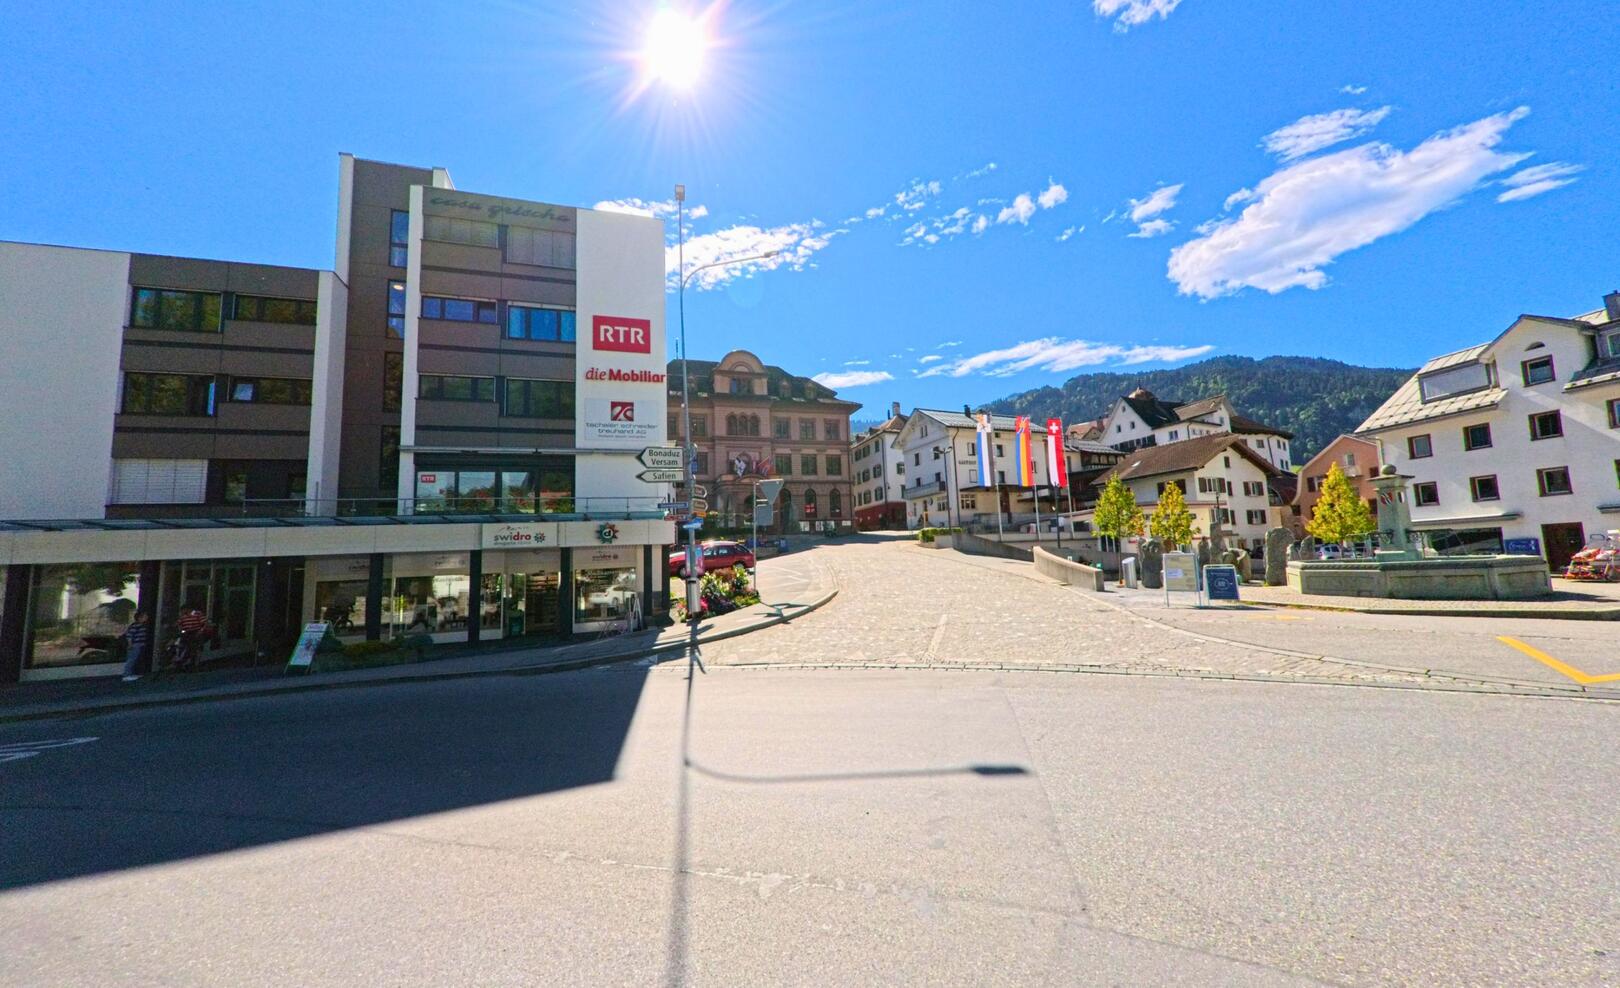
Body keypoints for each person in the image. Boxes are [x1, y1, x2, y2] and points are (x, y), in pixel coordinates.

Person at [120, 611, 151, 683]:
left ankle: (130, 673)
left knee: (134, 659)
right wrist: (130, 644)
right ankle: (126, 675)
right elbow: (129, 635)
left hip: (139, 645)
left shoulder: (141, 625)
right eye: (145, 616)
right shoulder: (136, 625)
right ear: (140, 618)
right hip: (135, 645)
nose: (147, 617)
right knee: (131, 659)